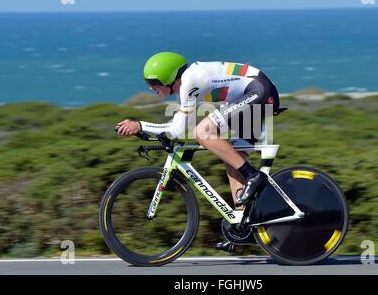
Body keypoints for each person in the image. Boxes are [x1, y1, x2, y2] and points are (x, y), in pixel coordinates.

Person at [116, 52, 281, 251]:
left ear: (169, 77)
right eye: (148, 83)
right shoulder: (184, 89)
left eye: (154, 82)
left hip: (260, 92)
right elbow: (174, 127)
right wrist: (151, 133)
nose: (151, 88)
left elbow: (177, 130)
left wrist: (140, 125)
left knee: (202, 132)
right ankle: (241, 225)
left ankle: (253, 175)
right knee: (232, 160)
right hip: (250, 95)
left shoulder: (190, 80)